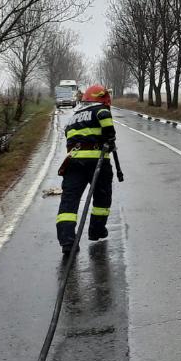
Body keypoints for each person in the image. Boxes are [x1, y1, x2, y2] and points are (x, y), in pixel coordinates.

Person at [56, 84, 116, 256]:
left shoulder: (74, 117)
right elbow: (109, 131)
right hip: (97, 161)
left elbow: (69, 136)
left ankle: (67, 241)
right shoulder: (101, 110)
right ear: (102, 99)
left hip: (73, 163)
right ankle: (96, 231)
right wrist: (109, 139)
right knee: (102, 198)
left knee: (69, 202)